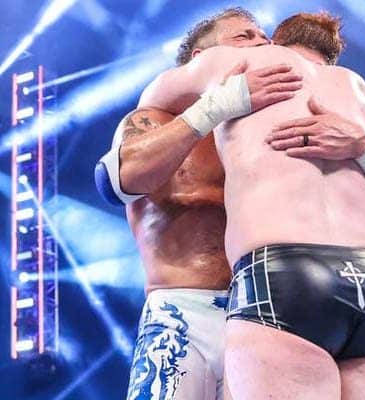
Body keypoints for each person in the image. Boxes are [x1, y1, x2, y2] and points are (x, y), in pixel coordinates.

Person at [138, 11, 365, 400]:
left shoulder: (237, 61)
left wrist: (219, 102)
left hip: (284, 275)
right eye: (250, 35)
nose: (259, 41)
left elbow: (150, 102)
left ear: (276, 41)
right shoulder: (362, 94)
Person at [94, 8, 303, 400]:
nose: (262, 43)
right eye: (244, 36)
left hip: (265, 314)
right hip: (182, 315)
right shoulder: (155, 119)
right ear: (200, 58)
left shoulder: (264, 135)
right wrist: (215, 106)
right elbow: (117, 181)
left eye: (264, 37)